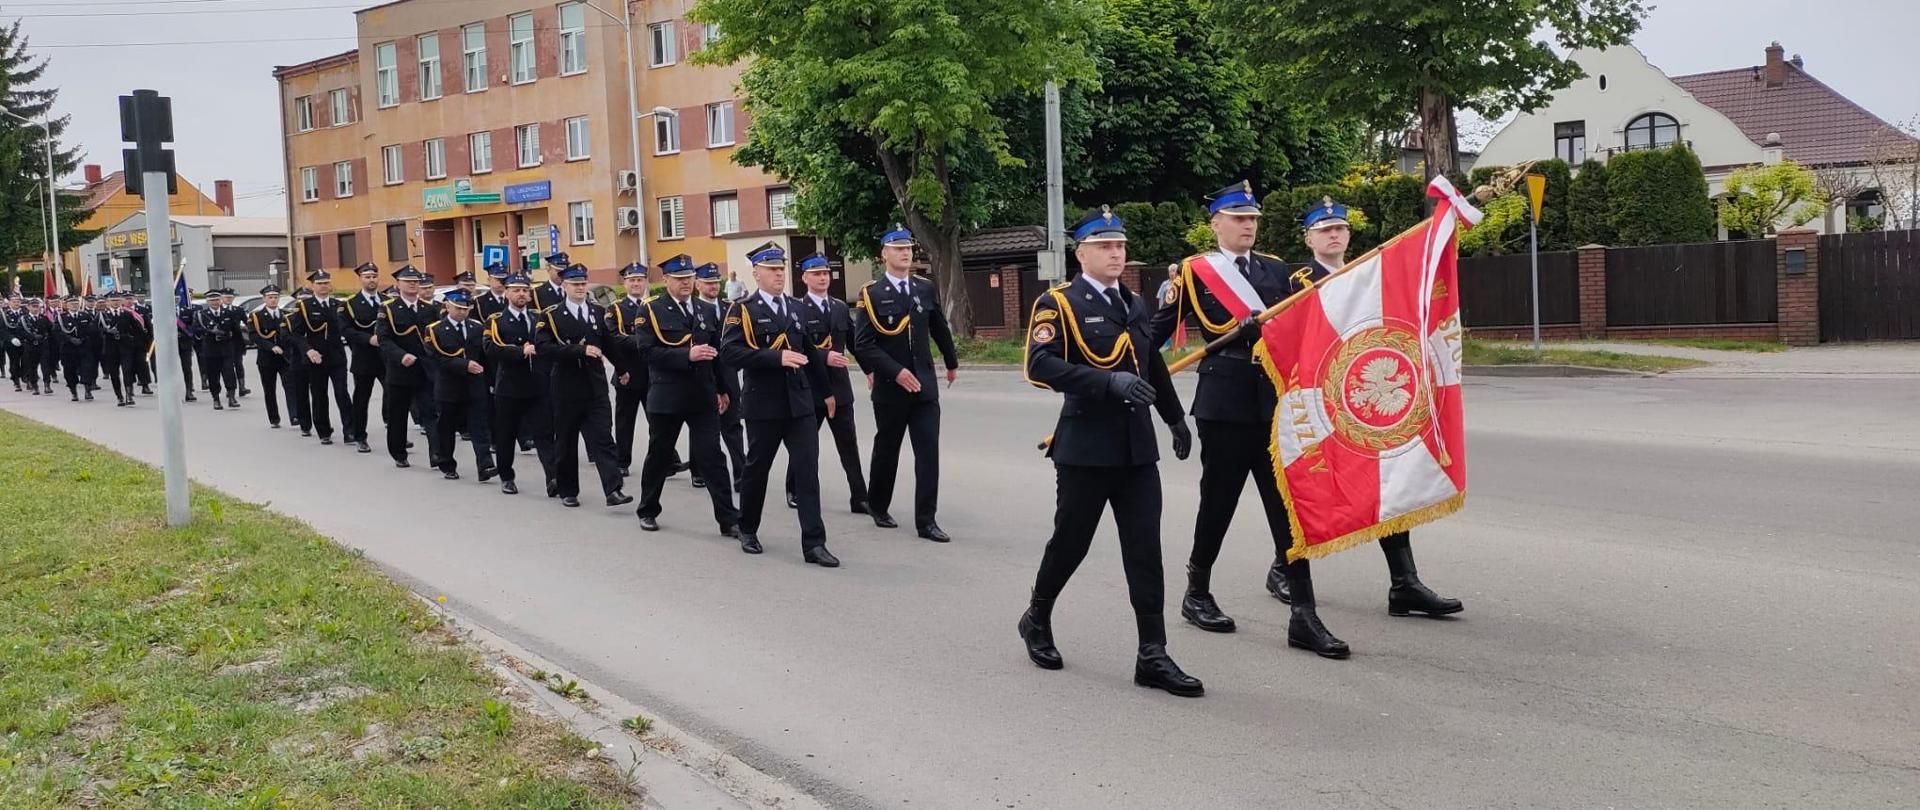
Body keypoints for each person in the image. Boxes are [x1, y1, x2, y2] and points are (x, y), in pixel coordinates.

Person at [1145, 181, 1356, 657]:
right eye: (1239, 218)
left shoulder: (1279, 271)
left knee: (1288, 506)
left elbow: (1311, 324)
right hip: (1223, 405)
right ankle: (1196, 591)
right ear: (1216, 223)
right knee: (1218, 503)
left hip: (1275, 402)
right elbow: (1151, 337)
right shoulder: (1195, 273)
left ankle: (1304, 613)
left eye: (1254, 219)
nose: (1249, 226)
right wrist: (1138, 391)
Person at [1019, 206, 1201, 697]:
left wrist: (1173, 416)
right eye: (1105, 246)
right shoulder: (1058, 304)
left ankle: (1153, 654)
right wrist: (1106, 382)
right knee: (1071, 543)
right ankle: (1037, 615)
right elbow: (1039, 366)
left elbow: (1150, 366)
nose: (1116, 254)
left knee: (1145, 551)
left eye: (1120, 246)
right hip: (1084, 448)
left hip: (1137, 451)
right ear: (1082, 254)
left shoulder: (1134, 303)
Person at [1255, 197, 1463, 622]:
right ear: (1308, 237)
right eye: (1324, 229)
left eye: (1340, 229)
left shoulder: (1369, 275)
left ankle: (1404, 583)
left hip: (1360, 397)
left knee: (1388, 477)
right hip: (1320, 401)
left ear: (1349, 235)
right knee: (1312, 485)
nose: (1334, 235)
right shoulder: (1296, 284)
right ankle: (1284, 565)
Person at [718, 242, 839, 566]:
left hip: (799, 403)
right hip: (764, 404)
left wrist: (826, 393)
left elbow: (811, 354)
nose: (779, 274)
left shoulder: (797, 308)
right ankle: (747, 527)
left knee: (807, 473)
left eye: (781, 269)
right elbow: (730, 353)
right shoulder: (742, 310)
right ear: (756, 274)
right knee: (757, 470)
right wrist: (775, 357)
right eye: (772, 269)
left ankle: (814, 544)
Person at [850, 225, 961, 542]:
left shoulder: (924, 288)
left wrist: (951, 362)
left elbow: (938, 325)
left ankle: (926, 520)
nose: (905, 252)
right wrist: (896, 372)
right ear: (884, 254)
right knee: (888, 450)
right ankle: (878, 505)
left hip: (925, 385)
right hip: (891, 388)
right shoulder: (871, 294)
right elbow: (864, 344)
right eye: (897, 248)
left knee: (928, 453)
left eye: (908, 247)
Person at [631, 253, 740, 536]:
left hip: (702, 395)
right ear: (665, 279)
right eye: (679, 279)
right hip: (667, 396)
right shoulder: (651, 310)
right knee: (659, 455)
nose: (685, 283)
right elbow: (647, 352)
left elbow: (716, 353)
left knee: (712, 457)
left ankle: (729, 519)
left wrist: (723, 388)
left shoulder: (704, 310)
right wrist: (686, 355)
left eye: (689, 278)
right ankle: (648, 509)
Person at [533, 261, 632, 509]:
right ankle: (568, 489)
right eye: (575, 284)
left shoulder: (597, 312)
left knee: (602, 438)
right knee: (566, 442)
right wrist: (578, 350)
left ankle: (613, 489)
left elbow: (609, 344)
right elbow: (543, 348)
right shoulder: (551, 315)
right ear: (564, 285)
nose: (579, 288)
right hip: (566, 387)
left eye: (582, 283)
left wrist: (622, 369)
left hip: (594, 386)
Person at [789, 253, 869, 514]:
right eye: (816, 274)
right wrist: (825, 356)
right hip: (810, 388)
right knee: (806, 445)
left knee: (849, 444)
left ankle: (859, 497)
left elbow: (854, 342)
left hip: (839, 387)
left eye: (825, 274)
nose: (822, 278)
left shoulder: (839, 307)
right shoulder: (796, 309)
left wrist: (870, 370)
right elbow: (796, 348)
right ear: (805, 278)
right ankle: (794, 488)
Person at [483, 273, 558, 495]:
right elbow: (490, 349)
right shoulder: (495, 320)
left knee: (545, 434)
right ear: (506, 293)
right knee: (506, 435)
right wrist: (519, 351)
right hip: (510, 387)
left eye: (525, 290)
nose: (521, 294)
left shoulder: (539, 318)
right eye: (516, 290)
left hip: (538, 385)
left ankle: (553, 478)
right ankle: (506, 476)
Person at [425, 289, 495, 481]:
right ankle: (447, 463)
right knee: (446, 428)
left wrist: (491, 380)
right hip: (449, 387)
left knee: (480, 427)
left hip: (474, 386)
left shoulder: (476, 327)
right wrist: (464, 365)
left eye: (465, 309)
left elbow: (485, 357)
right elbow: (436, 358)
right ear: (447, 306)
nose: (462, 312)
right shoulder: (435, 329)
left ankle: (485, 465)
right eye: (458, 308)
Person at [376, 265, 441, 467]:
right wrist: (400, 355)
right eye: (408, 281)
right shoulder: (388, 308)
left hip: (425, 370)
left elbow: (436, 337)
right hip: (400, 370)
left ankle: (437, 454)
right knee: (398, 414)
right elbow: (384, 339)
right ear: (398, 284)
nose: (413, 284)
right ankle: (399, 453)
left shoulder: (429, 309)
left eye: (415, 281)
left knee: (431, 412)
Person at [695, 263, 747, 491]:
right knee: (705, 429)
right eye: (708, 282)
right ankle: (700, 471)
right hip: (703, 376)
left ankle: (740, 474)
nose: (714, 286)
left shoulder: (730, 307)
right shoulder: (693, 310)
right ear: (698, 284)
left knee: (733, 425)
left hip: (729, 374)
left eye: (716, 282)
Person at [605, 262, 657, 477]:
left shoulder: (654, 305)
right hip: (627, 372)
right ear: (624, 283)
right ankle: (622, 461)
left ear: (646, 282)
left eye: (640, 279)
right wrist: (643, 342)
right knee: (625, 421)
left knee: (658, 419)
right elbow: (614, 338)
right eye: (632, 280)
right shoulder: (615, 309)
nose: (636, 283)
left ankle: (667, 458)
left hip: (652, 373)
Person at [289, 269, 351, 445]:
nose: (324, 286)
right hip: (316, 358)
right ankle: (324, 431)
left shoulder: (338, 305)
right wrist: (308, 350)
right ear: (312, 286)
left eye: (326, 283)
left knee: (342, 393)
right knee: (319, 395)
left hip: (337, 357)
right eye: (320, 283)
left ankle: (350, 430)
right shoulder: (304, 306)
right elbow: (295, 334)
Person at [341, 263, 387, 452]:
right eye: (367, 277)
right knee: (362, 399)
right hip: (364, 358)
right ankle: (360, 436)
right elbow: (346, 330)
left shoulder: (387, 300)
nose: (371, 280)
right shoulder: (350, 304)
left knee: (393, 397)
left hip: (386, 358)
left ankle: (395, 433)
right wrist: (368, 339)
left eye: (374, 276)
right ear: (360, 279)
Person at [246, 285, 301, 429]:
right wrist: (271, 347)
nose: (273, 300)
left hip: (285, 357)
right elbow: (254, 336)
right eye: (270, 297)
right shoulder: (256, 316)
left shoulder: (286, 314)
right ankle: (274, 418)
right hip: (266, 359)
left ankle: (294, 415)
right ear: (264, 299)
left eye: (275, 297)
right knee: (269, 389)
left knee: (291, 386)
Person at [55, 296, 99, 402]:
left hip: (84, 347)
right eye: (72, 304)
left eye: (76, 304)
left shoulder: (85, 315)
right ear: (67, 305)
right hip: (68, 349)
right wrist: (70, 339)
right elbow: (57, 332)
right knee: (70, 371)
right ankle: (73, 392)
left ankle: (88, 390)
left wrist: (83, 339)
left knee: (87, 369)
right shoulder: (61, 317)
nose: (74, 306)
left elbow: (92, 330)